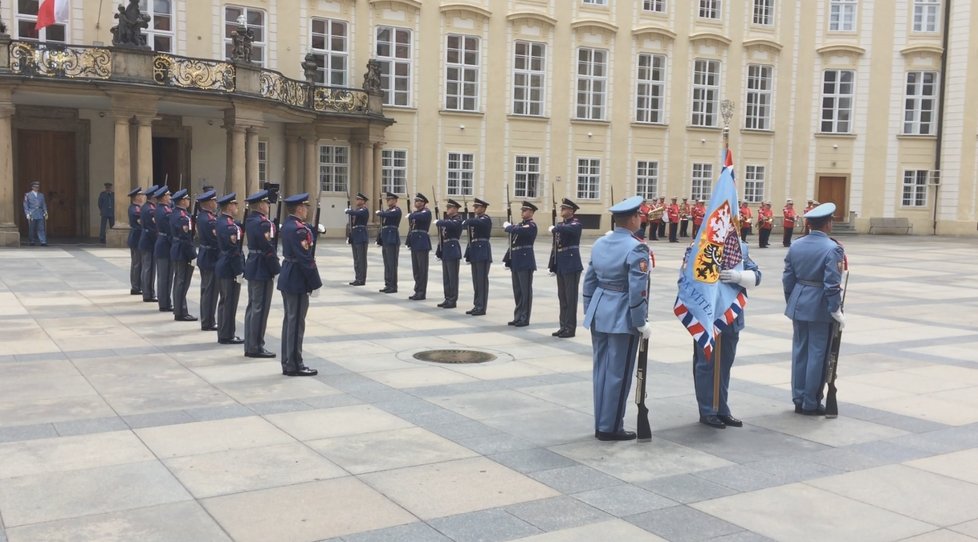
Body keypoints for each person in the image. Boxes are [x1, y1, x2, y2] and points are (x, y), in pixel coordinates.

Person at [583, 195, 652, 441]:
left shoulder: (601, 242)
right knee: (618, 374)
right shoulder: (637, 248)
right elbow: (637, 290)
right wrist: (640, 321)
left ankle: (601, 421)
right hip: (622, 315)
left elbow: (589, 280)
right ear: (633, 218)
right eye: (639, 215)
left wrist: (589, 310)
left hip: (599, 312)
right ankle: (610, 427)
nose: (641, 218)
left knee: (601, 370)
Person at [689, 237, 762, 429]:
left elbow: (757, 275)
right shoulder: (697, 247)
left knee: (724, 365)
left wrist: (739, 277)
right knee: (707, 366)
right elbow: (687, 280)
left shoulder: (741, 249)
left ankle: (722, 408)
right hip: (708, 316)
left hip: (731, 316)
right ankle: (707, 410)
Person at [783, 202, 846, 415]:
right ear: (828, 224)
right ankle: (811, 401)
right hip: (819, 306)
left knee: (800, 351)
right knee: (818, 354)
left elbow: (787, 278)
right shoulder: (832, 248)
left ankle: (799, 398)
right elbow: (831, 285)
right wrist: (835, 309)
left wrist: (792, 300)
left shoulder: (796, 245)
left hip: (799, 302)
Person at [277, 193, 323, 377]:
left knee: (290, 321)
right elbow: (305, 259)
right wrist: (315, 282)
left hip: (289, 275)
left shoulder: (290, 226)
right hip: (297, 279)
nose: (306, 211)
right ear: (299, 209)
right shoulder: (298, 230)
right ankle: (294, 364)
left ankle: (288, 361)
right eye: (305, 207)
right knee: (296, 324)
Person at [243, 190, 280, 358]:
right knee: (260, 308)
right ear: (260, 205)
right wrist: (276, 268)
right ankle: (256, 346)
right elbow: (268, 248)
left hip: (253, 264)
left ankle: (250, 343)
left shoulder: (251, 220)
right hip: (262, 267)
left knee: (252, 307)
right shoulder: (264, 224)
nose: (268, 206)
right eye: (266, 203)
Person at [549, 198, 583, 338]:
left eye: (564, 208)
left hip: (571, 264)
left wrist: (556, 228)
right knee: (562, 297)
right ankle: (563, 326)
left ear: (571, 211)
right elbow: (556, 246)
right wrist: (552, 265)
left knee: (570, 298)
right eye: (561, 208)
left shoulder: (575, 224)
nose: (561, 210)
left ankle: (570, 328)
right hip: (562, 264)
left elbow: (569, 229)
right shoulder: (560, 225)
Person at [215, 193, 245, 345]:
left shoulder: (222, 222)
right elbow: (234, 251)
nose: (237, 207)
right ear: (229, 206)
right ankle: (227, 334)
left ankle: (225, 332)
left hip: (224, 264)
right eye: (235, 204)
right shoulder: (229, 226)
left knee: (225, 301)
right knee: (229, 302)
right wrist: (239, 270)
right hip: (229, 267)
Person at [504, 201, 537, 327]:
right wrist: (507, 260)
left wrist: (509, 227)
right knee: (517, 291)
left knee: (525, 291)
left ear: (531, 212)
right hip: (516, 262)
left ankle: (525, 318)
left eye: (525, 210)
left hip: (525, 262)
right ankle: (517, 316)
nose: (522, 212)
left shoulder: (531, 225)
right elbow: (513, 244)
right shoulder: (520, 225)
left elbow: (519, 231)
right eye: (522, 210)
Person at [169, 189, 197, 322]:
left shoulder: (176, 213)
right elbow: (186, 238)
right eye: (187, 199)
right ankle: (180, 311)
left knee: (179, 281)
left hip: (177, 249)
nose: (189, 201)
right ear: (182, 201)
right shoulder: (183, 217)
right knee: (182, 282)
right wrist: (192, 255)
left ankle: (179, 309)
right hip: (182, 251)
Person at [463, 198, 492, 316]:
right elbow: (470, 236)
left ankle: (481, 307)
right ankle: (476, 305)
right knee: (476, 281)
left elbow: (477, 223)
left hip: (482, 251)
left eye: (477, 207)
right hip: (475, 251)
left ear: (483, 208)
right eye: (474, 207)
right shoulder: (475, 220)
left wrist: (467, 220)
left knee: (482, 281)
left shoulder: (485, 219)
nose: (474, 209)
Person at [196, 190, 220, 331]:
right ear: (209, 203)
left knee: (206, 290)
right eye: (214, 201)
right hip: (211, 257)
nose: (216, 203)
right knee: (210, 292)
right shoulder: (210, 221)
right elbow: (216, 240)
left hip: (205, 254)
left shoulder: (203, 217)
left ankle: (208, 319)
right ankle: (208, 321)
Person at [435, 199, 464, 309]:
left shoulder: (457, 220)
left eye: (449, 207)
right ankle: (447, 298)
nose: (447, 209)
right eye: (447, 207)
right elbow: (442, 237)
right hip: (446, 250)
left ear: (456, 209)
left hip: (453, 249)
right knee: (446, 277)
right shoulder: (448, 220)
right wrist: (439, 251)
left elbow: (451, 225)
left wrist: (440, 222)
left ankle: (453, 299)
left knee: (453, 277)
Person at [406, 193, 432, 300]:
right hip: (415, 242)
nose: (417, 203)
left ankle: (422, 292)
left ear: (424, 203)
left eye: (419, 201)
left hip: (422, 242)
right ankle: (417, 290)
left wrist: (411, 215)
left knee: (422, 269)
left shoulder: (426, 212)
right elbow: (411, 228)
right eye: (416, 201)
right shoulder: (415, 213)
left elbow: (421, 217)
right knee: (416, 269)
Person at [376, 192, 402, 294]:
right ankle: (388, 284)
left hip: (392, 239)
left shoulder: (396, 210)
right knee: (387, 263)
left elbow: (388, 215)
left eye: (390, 199)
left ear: (395, 200)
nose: (388, 201)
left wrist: (380, 213)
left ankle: (393, 286)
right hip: (386, 239)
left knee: (392, 264)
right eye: (387, 200)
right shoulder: (387, 210)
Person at [154, 186, 174, 312]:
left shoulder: (161, 209)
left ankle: (165, 301)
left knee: (165, 276)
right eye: (168, 196)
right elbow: (170, 230)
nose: (170, 198)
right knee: (165, 276)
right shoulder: (165, 212)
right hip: (165, 245)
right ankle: (164, 302)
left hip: (162, 243)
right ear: (163, 198)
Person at [138, 185, 159, 302]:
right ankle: (148, 293)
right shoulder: (150, 210)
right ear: (154, 197)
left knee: (148, 268)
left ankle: (148, 292)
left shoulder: (146, 207)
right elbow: (153, 229)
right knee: (148, 268)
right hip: (149, 242)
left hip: (146, 240)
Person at [344, 192, 369, 286]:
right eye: (357, 199)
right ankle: (357, 277)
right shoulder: (357, 210)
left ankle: (362, 279)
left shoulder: (364, 210)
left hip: (361, 236)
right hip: (355, 236)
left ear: (363, 201)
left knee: (361, 259)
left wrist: (349, 211)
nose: (357, 201)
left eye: (359, 199)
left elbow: (356, 213)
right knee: (356, 259)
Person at [127, 187, 144, 295]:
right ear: (136, 197)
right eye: (140, 195)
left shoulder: (137, 208)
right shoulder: (135, 209)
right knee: (137, 263)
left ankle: (137, 285)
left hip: (136, 237)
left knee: (137, 263)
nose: (142, 197)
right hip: (136, 238)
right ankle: (136, 286)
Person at [23, 181, 48, 246]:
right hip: (32, 213)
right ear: (32, 187)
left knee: (41, 228)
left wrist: (45, 211)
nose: (37, 188)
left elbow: (43, 204)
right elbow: (26, 205)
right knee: (32, 228)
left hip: (40, 213)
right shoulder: (27, 195)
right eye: (35, 187)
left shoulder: (41, 195)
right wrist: (27, 213)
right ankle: (32, 241)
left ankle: (43, 241)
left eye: (37, 187)